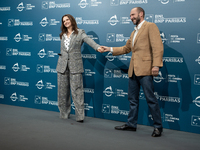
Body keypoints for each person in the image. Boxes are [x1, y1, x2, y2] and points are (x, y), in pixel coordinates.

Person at [100, 7, 164, 137]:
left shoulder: (150, 26)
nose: (131, 17)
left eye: (133, 15)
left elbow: (157, 47)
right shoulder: (133, 32)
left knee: (150, 99)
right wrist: (109, 48)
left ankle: (158, 127)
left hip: (146, 70)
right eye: (130, 16)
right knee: (132, 100)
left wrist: (156, 65)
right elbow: (126, 48)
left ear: (141, 14)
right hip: (133, 70)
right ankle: (131, 124)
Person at [56, 14, 103, 123]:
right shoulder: (62, 35)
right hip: (62, 66)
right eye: (64, 21)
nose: (66, 22)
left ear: (72, 20)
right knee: (62, 92)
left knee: (77, 92)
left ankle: (80, 116)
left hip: (75, 66)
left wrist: (97, 47)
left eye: (67, 19)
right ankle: (64, 114)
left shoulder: (80, 33)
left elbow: (88, 40)